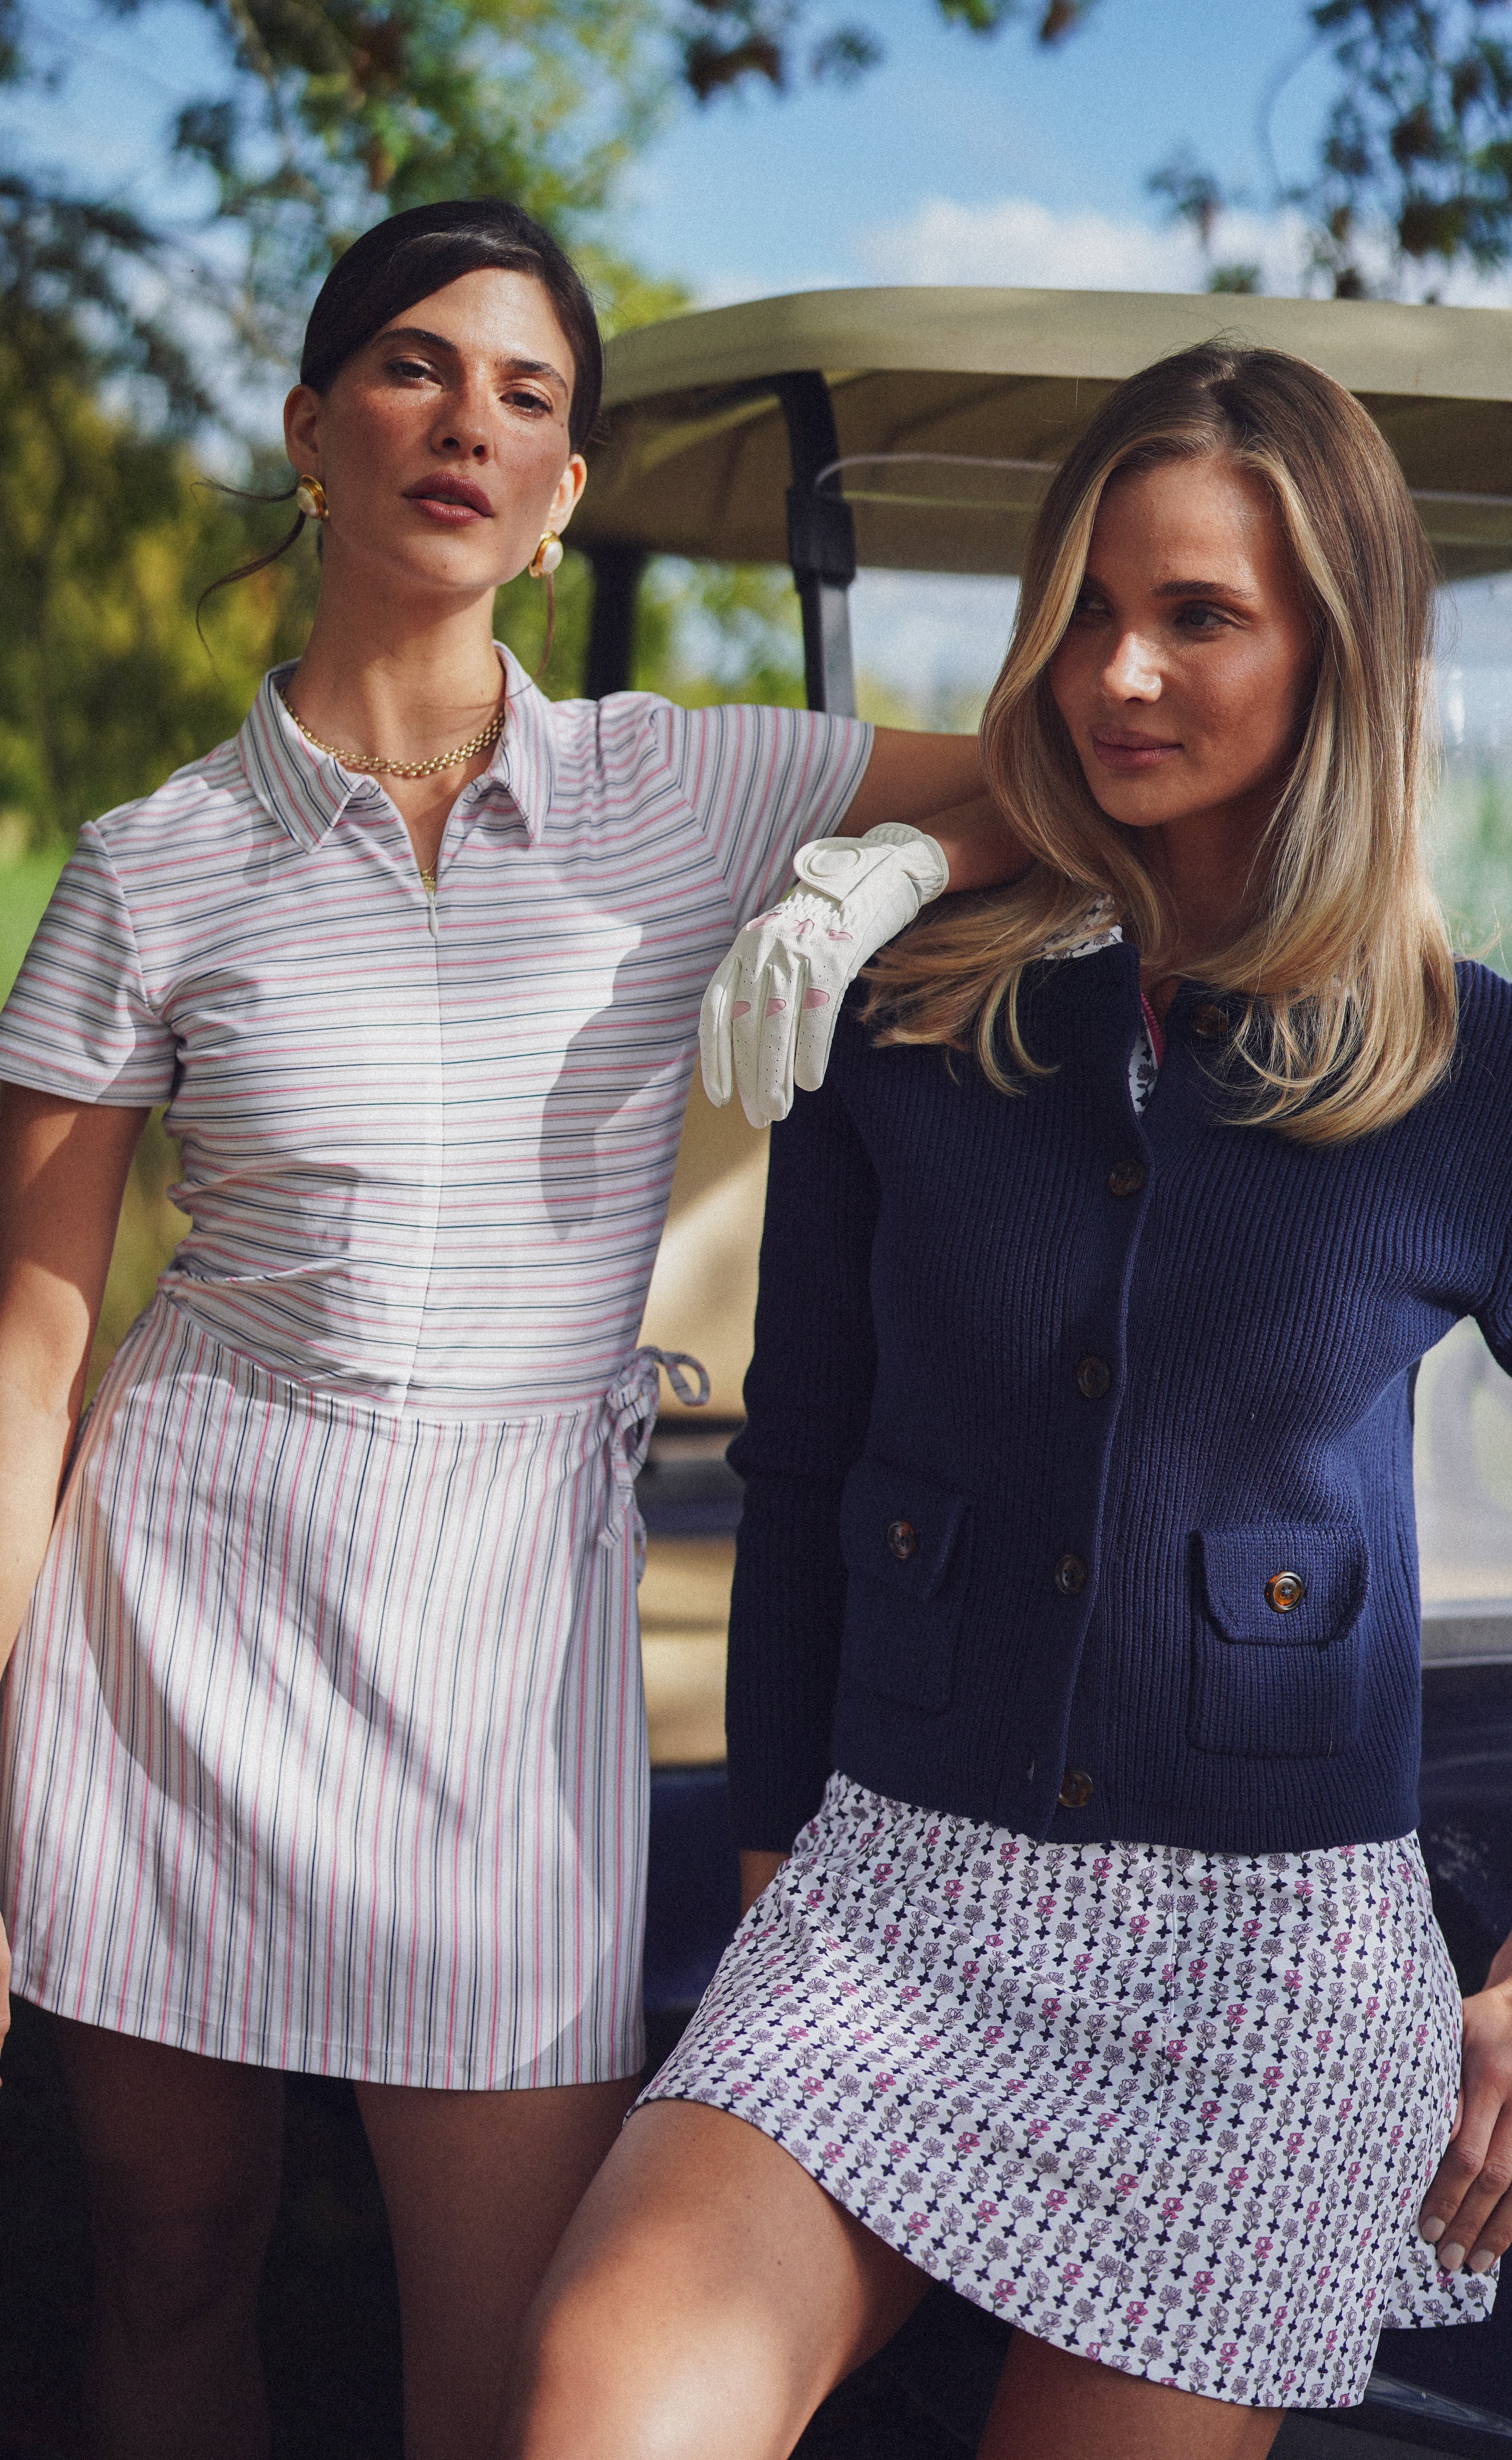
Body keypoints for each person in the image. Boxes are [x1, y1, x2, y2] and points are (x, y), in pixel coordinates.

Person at [500, 342, 1512, 2460]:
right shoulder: (900, 1014)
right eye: (1091, 611)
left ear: (1335, 656)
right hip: (889, 1909)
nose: (1119, 672)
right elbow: (804, 1473)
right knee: (601, 2402)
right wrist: (774, 1891)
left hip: (1271, 1975)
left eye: (1199, 616)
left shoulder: (1504, 1087)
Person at [0, 197, 1020, 2460]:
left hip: (502, 1651)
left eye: (527, 396)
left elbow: (1087, 781)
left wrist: (881, 870)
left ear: (563, 496)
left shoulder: (689, 785)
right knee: (172, 2258)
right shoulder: (148, 865)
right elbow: (30, 1353)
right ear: (313, 431)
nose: (467, 422)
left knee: (503, 2346)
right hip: (173, 1616)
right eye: (414, 369)